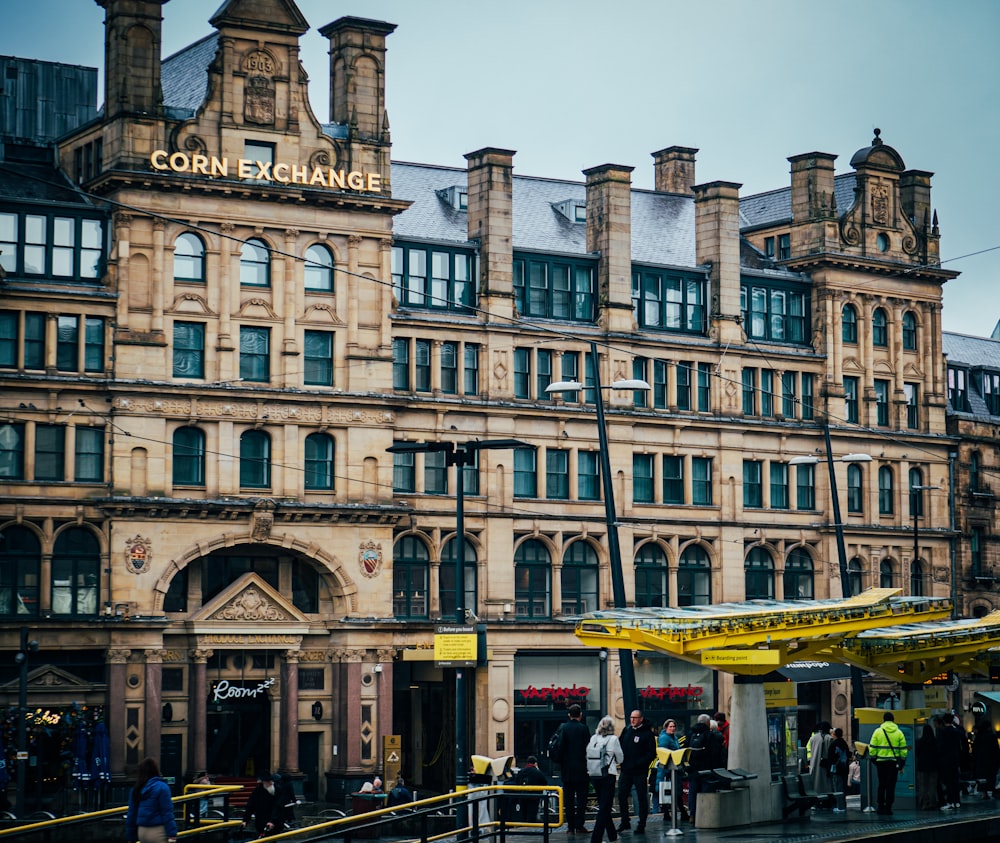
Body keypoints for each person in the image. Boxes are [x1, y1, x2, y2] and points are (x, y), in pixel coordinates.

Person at [552, 703, 593, 834]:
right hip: (581, 768)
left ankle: (570, 826)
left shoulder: (564, 728)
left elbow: (560, 747)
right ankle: (579, 825)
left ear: (569, 715)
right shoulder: (584, 729)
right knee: (582, 799)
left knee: (568, 800)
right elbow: (589, 748)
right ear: (580, 715)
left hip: (567, 769)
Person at [617, 709, 656, 834]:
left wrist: (639, 763)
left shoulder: (647, 734)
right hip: (626, 769)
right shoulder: (627, 730)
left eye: (635, 717)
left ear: (641, 719)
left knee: (641, 797)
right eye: (631, 717)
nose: (632, 720)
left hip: (639, 771)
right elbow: (619, 744)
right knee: (622, 795)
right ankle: (625, 821)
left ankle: (642, 823)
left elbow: (651, 753)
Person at [587, 715, 624, 843]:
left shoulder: (593, 738)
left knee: (604, 805)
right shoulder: (613, 739)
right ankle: (595, 838)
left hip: (594, 774)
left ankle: (612, 835)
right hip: (608, 774)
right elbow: (620, 758)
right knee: (604, 807)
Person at [125, 757, 178, 843]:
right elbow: (167, 813)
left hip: (141, 831)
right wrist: (172, 833)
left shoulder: (136, 789)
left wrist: (131, 837)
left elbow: (132, 814)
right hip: (158, 831)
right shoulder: (162, 787)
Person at [869, 711, 908, 815]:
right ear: (893, 720)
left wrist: (874, 759)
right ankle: (889, 807)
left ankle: (880, 806)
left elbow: (872, 748)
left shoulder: (878, 731)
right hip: (893, 764)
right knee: (891, 785)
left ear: (884, 720)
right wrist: (902, 762)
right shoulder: (899, 732)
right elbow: (903, 750)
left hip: (880, 763)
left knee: (882, 784)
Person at [937, 715, 964, 810]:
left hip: (945, 760)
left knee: (948, 782)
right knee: (955, 781)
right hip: (955, 760)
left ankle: (949, 801)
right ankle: (957, 801)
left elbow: (940, 747)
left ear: (944, 721)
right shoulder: (957, 732)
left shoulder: (942, 732)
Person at [655, 720, 680, 815]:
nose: (672, 728)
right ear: (666, 728)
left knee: (673, 791)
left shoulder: (674, 738)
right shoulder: (665, 738)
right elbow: (663, 753)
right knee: (666, 790)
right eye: (670, 727)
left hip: (673, 767)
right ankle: (666, 812)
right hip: (666, 769)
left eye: (674, 726)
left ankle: (673, 811)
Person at [513, 755, 548, 821]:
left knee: (523, 815)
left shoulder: (521, 771)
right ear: (535, 763)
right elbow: (545, 782)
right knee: (532, 816)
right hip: (534, 797)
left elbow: (517, 782)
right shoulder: (538, 772)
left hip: (523, 797)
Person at [971, 718, 1000, 799]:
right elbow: (996, 749)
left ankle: (984, 793)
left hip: (981, 762)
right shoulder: (992, 736)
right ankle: (993, 791)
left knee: (982, 778)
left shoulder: (979, 737)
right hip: (991, 761)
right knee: (991, 777)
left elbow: (975, 750)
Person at [242, 772, 277, 837]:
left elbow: (278, 807)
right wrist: (245, 820)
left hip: (273, 821)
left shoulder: (277, 790)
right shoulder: (257, 791)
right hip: (261, 820)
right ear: (263, 782)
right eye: (268, 781)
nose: (271, 783)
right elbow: (250, 806)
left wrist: (272, 821)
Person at [915, 722, 939, 809]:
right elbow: (937, 753)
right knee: (932, 785)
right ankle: (932, 803)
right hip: (933, 766)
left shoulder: (920, 742)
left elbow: (917, 753)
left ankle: (924, 803)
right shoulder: (935, 741)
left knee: (922, 786)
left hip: (922, 766)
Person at [826, 727, 850, 812]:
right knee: (843, 787)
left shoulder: (834, 744)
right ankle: (843, 805)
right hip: (844, 769)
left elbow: (830, 758)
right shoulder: (844, 743)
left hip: (836, 769)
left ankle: (840, 806)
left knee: (837, 788)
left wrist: (828, 770)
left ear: (834, 734)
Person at [808, 721, 833, 800]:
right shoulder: (829, 738)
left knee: (816, 783)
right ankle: (826, 800)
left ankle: (817, 800)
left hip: (814, 764)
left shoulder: (813, 738)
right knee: (826, 783)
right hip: (825, 764)